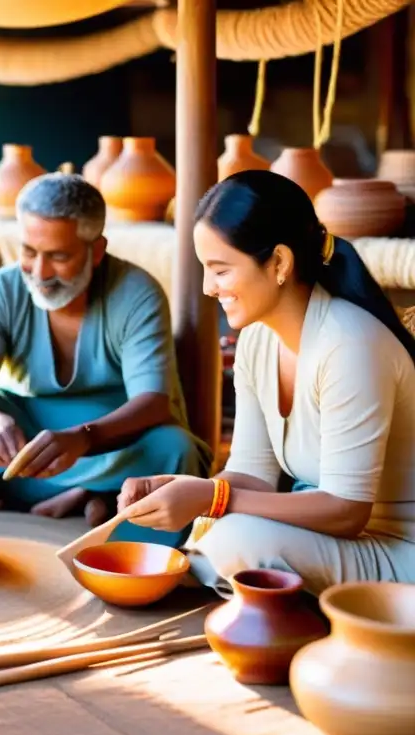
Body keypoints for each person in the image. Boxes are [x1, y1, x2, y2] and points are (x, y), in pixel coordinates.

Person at [118, 170, 415, 596]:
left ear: (278, 262)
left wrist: (211, 499)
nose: (207, 288)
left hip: (398, 550)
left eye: (220, 270)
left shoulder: (350, 344)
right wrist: (183, 492)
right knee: (220, 532)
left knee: (237, 538)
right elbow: (252, 475)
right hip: (345, 544)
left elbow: (347, 511)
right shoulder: (257, 340)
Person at [0, 172, 210, 546]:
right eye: (29, 252)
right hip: (31, 440)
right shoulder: (0, 290)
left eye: (58, 256)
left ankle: (97, 503)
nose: (39, 272)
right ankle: (92, 495)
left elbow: (152, 404)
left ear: (96, 250)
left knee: (174, 450)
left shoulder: (137, 293)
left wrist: (83, 439)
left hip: (111, 443)